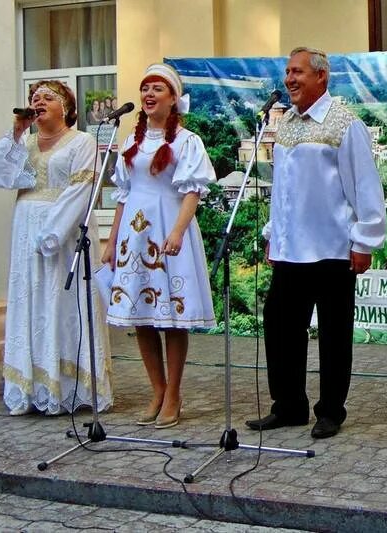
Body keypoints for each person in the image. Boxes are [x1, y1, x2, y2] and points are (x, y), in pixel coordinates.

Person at [245, 47, 386, 439]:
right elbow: (283, 190)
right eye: (287, 72)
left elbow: (364, 185)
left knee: (334, 334)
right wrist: (274, 234)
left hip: (332, 248)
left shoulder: (343, 124)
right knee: (280, 327)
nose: (290, 79)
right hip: (291, 248)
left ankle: (330, 411)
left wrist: (365, 240)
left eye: (298, 72)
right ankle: (288, 406)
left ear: (321, 76)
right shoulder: (286, 123)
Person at [102, 63, 215, 429]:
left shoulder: (187, 141)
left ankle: (174, 393)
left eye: (158, 89)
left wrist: (179, 232)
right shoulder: (131, 142)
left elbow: (193, 191)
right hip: (134, 235)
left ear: (173, 98)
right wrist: (111, 241)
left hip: (168, 229)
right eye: (145, 88)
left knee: (171, 318)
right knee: (141, 317)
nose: (149, 95)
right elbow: (123, 194)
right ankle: (157, 388)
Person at [0, 80, 113, 415]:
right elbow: (1, 174)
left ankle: (67, 386)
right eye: (35, 97)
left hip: (61, 234)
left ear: (66, 107)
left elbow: (80, 191)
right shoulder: (26, 143)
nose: (39, 101)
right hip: (25, 232)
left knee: (60, 301)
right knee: (30, 299)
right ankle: (32, 387)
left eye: (48, 97)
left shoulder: (82, 141)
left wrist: (52, 233)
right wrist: (16, 133)